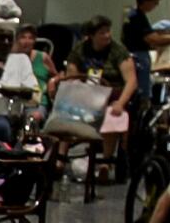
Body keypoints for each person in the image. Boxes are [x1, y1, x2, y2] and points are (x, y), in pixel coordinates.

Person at [46, 13, 137, 168]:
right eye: (102, 33)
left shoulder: (118, 51)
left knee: (112, 116)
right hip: (86, 95)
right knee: (66, 111)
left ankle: (105, 162)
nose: (107, 35)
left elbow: (131, 81)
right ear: (91, 36)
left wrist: (121, 103)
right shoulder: (80, 50)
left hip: (111, 96)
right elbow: (72, 75)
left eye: (108, 31)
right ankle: (60, 157)